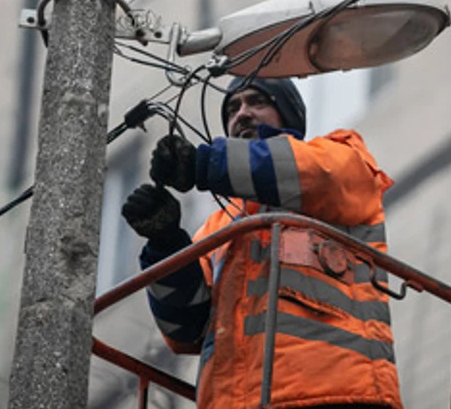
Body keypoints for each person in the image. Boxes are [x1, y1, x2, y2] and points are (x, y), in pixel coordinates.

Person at [122, 77, 401, 409]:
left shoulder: (343, 158)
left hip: (337, 391)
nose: (242, 113)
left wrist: (204, 164)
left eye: (257, 101)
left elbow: (306, 171)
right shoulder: (218, 228)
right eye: (232, 108)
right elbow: (185, 331)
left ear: (288, 116)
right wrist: (165, 242)